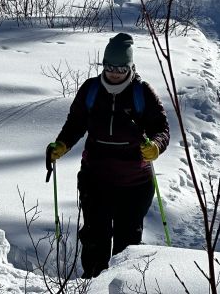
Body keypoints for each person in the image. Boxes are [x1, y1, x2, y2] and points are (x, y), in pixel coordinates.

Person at [46, 32, 169, 279]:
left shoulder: (142, 93)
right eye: (109, 66)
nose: (114, 72)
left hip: (134, 183)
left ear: (130, 67)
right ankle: (92, 283)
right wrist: (62, 144)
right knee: (94, 237)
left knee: (127, 244)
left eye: (121, 67)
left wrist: (155, 146)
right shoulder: (91, 90)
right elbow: (75, 124)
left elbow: (161, 128)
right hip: (95, 179)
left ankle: (122, 285)